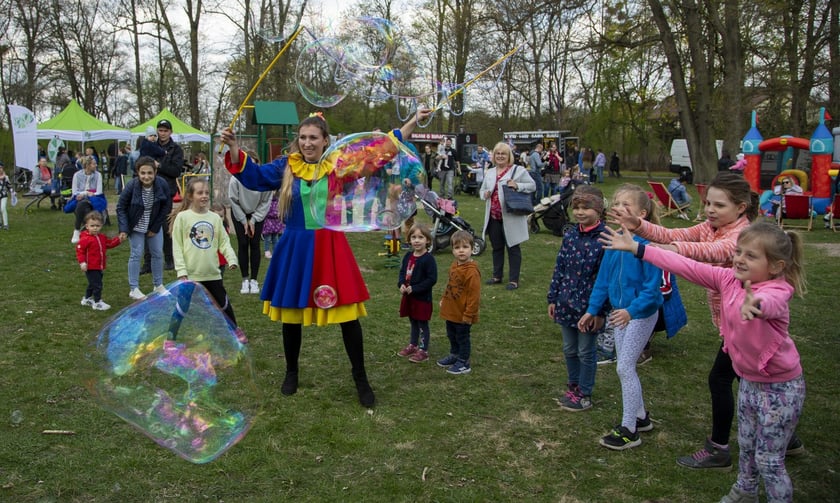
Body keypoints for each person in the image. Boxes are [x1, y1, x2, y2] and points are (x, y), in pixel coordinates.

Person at [219, 108, 432, 408]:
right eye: (303, 137)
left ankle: (361, 378)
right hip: (295, 247)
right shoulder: (287, 167)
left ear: (325, 140)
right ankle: (291, 372)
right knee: (291, 315)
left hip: (330, 245)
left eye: (314, 138)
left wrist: (412, 122)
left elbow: (379, 152)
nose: (307, 143)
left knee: (348, 318)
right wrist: (232, 147)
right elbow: (253, 177)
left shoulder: (339, 166)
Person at [600, 221, 806, 503]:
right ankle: (745, 492)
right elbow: (683, 265)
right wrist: (638, 248)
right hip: (750, 381)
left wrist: (755, 305)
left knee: (768, 459)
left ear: (776, 266)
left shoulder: (777, 289)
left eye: (751, 256)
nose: (740, 259)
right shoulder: (727, 279)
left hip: (781, 388)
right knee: (746, 446)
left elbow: (772, 303)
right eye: (739, 252)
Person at [580, 184, 663, 450]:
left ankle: (629, 429)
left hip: (640, 314)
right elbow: (603, 280)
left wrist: (631, 311)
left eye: (627, 205)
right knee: (625, 366)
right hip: (619, 314)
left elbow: (653, 291)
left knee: (624, 367)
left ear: (642, 213)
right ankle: (641, 417)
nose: (620, 208)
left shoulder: (648, 246)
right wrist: (592, 309)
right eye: (617, 203)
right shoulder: (613, 239)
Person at [547, 185, 608, 412]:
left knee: (586, 351)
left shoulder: (606, 239)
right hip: (565, 302)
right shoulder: (571, 235)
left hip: (589, 307)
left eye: (586, 207)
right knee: (569, 348)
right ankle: (573, 385)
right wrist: (552, 298)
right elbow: (560, 267)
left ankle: (585, 392)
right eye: (577, 207)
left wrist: (600, 311)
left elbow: (607, 279)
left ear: (599, 209)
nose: (581, 212)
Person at [170, 178, 239, 324]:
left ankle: (235, 331)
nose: (204, 196)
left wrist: (231, 259)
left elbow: (224, 242)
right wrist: (181, 271)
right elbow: (177, 246)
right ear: (190, 196)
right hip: (190, 274)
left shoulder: (214, 218)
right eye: (200, 192)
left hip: (213, 273)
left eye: (207, 192)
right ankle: (170, 339)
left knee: (224, 304)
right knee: (182, 307)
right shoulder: (182, 218)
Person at [479, 141, 536, 291]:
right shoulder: (490, 172)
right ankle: (497, 275)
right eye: (497, 153)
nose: (500, 156)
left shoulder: (518, 171)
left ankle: (513, 279)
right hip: (494, 216)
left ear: (508, 155)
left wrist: (518, 185)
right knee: (497, 247)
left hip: (511, 216)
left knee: (513, 247)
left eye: (503, 153)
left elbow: (532, 185)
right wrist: (484, 194)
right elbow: (482, 190)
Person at [117, 156, 172, 301]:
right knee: (136, 253)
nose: (146, 176)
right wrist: (124, 229)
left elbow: (166, 206)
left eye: (149, 173)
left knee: (157, 253)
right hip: (136, 224)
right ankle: (134, 288)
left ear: (155, 172)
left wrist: (155, 227)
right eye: (143, 173)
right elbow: (121, 207)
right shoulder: (131, 186)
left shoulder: (162, 184)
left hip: (154, 223)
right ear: (137, 173)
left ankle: (158, 284)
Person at [141, 119, 185, 270]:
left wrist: (160, 166)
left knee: (165, 225)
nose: (162, 133)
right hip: (149, 188)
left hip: (166, 190)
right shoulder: (150, 145)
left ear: (170, 132)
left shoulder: (176, 149)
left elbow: (176, 171)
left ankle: (169, 259)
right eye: (160, 130)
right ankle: (148, 262)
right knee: (147, 224)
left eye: (166, 130)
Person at [436, 230, 481, 375]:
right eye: (457, 247)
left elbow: (474, 296)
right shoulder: (455, 265)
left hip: (463, 314)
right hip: (452, 311)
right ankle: (454, 354)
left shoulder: (471, 272)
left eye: (465, 247)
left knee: (462, 337)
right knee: (452, 334)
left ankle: (463, 361)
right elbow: (450, 284)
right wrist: (444, 298)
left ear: (472, 249)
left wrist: (469, 315)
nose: (461, 250)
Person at [396, 223, 438, 363]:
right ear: (409, 239)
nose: (417, 240)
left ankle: (423, 350)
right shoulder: (408, 256)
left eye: (421, 237)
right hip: (409, 298)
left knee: (422, 323)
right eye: (413, 237)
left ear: (427, 240)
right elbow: (402, 273)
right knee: (413, 321)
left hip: (422, 298)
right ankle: (413, 345)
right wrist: (401, 284)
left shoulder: (428, 259)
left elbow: (432, 279)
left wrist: (416, 288)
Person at [229, 175, 272, 295]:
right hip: (239, 211)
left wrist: (253, 220)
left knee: (254, 243)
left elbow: (265, 201)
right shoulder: (236, 179)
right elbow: (233, 199)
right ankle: (245, 279)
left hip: (257, 212)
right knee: (243, 243)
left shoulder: (263, 178)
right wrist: (243, 220)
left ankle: (254, 280)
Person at [76, 211, 122, 311]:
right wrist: (82, 263)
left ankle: (87, 299)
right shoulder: (85, 239)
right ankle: (97, 302)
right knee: (97, 285)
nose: (95, 228)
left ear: (101, 225)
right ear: (87, 226)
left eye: (97, 225)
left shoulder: (101, 237)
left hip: (99, 265)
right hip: (90, 266)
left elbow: (109, 244)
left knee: (93, 283)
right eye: (92, 226)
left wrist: (119, 240)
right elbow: (80, 251)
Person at [68, 156, 107, 244]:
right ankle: (81, 230)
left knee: (82, 205)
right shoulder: (77, 175)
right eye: (94, 164)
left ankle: (77, 230)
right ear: (87, 165)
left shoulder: (98, 175)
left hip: (95, 198)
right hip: (80, 198)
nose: (96, 165)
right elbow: (74, 191)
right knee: (82, 206)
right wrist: (86, 193)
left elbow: (99, 191)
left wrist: (86, 194)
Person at [262, 190, 285, 259]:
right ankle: (267, 251)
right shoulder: (268, 202)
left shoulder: (278, 202)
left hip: (276, 223)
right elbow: (267, 212)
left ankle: (276, 251)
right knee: (268, 238)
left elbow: (280, 211)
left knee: (275, 238)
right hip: (269, 222)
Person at [0, 165, 13, 230]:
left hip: (4, 195)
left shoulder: (6, 177)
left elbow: (9, 185)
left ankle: (6, 224)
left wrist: (12, 192)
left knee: (3, 208)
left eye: (1, 168)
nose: (0, 169)